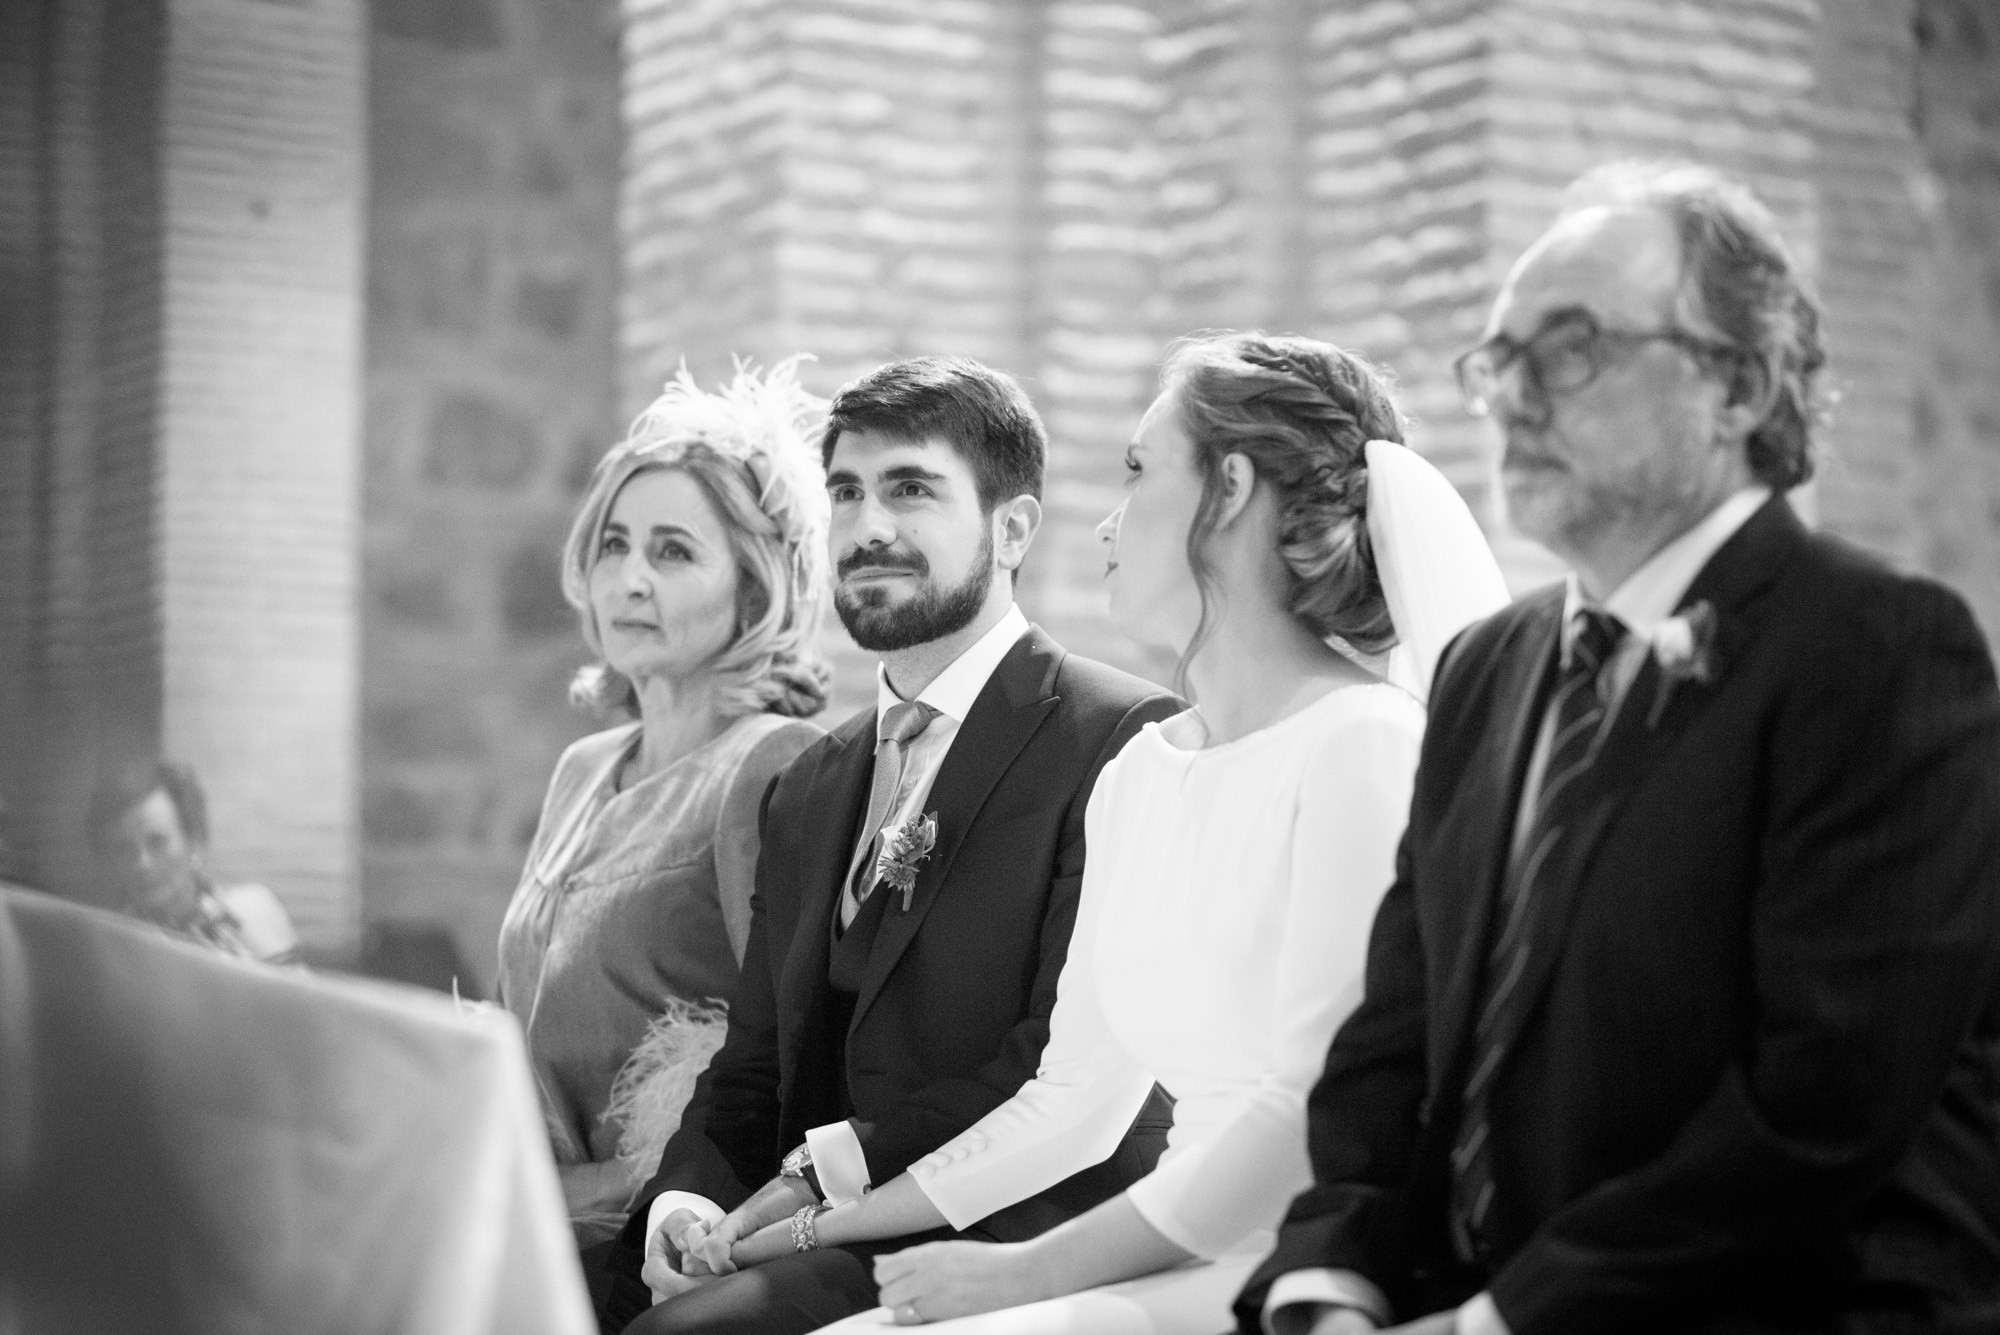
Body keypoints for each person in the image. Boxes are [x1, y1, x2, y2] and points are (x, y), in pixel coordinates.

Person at [1237, 162, 2000, 1335]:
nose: (1512, 398)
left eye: (1572, 347)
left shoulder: (1879, 649)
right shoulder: (1487, 666)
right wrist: (1330, 1280)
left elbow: (1822, 1107)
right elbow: (1397, 1035)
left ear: (1736, 386)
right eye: (1497, 360)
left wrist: (1493, 1323)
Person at [708, 333, 1511, 1335]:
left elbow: (1306, 1114)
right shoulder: (1141, 772)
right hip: (1161, 1252)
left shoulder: (1361, 747)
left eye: (1136, 472)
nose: (1104, 522)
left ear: (1229, 488)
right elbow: (1070, 1097)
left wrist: (1024, 1276)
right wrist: (811, 1229)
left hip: (1298, 1259)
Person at [590, 356, 1182, 1334]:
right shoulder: (809, 785)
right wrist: (686, 1205)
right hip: (792, 1230)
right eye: (846, 493)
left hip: (994, 1235)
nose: (866, 528)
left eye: (909, 490)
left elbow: (1049, 1066)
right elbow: (750, 1067)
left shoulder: (1115, 738)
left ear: (1011, 528)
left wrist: (792, 1209)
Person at [498, 360, 831, 1246]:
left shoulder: (767, 761)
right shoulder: (583, 764)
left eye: (673, 551)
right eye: (615, 544)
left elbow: (782, 1075)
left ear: (753, 588)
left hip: (652, 1237)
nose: (630, 578)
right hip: (519, 1213)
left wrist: (595, 1199)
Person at [91, 758, 300, 966]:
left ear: (193, 841)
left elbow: (298, 995)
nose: (141, 863)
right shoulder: (114, 944)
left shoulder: (250, 908)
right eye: (124, 850)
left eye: (157, 843)